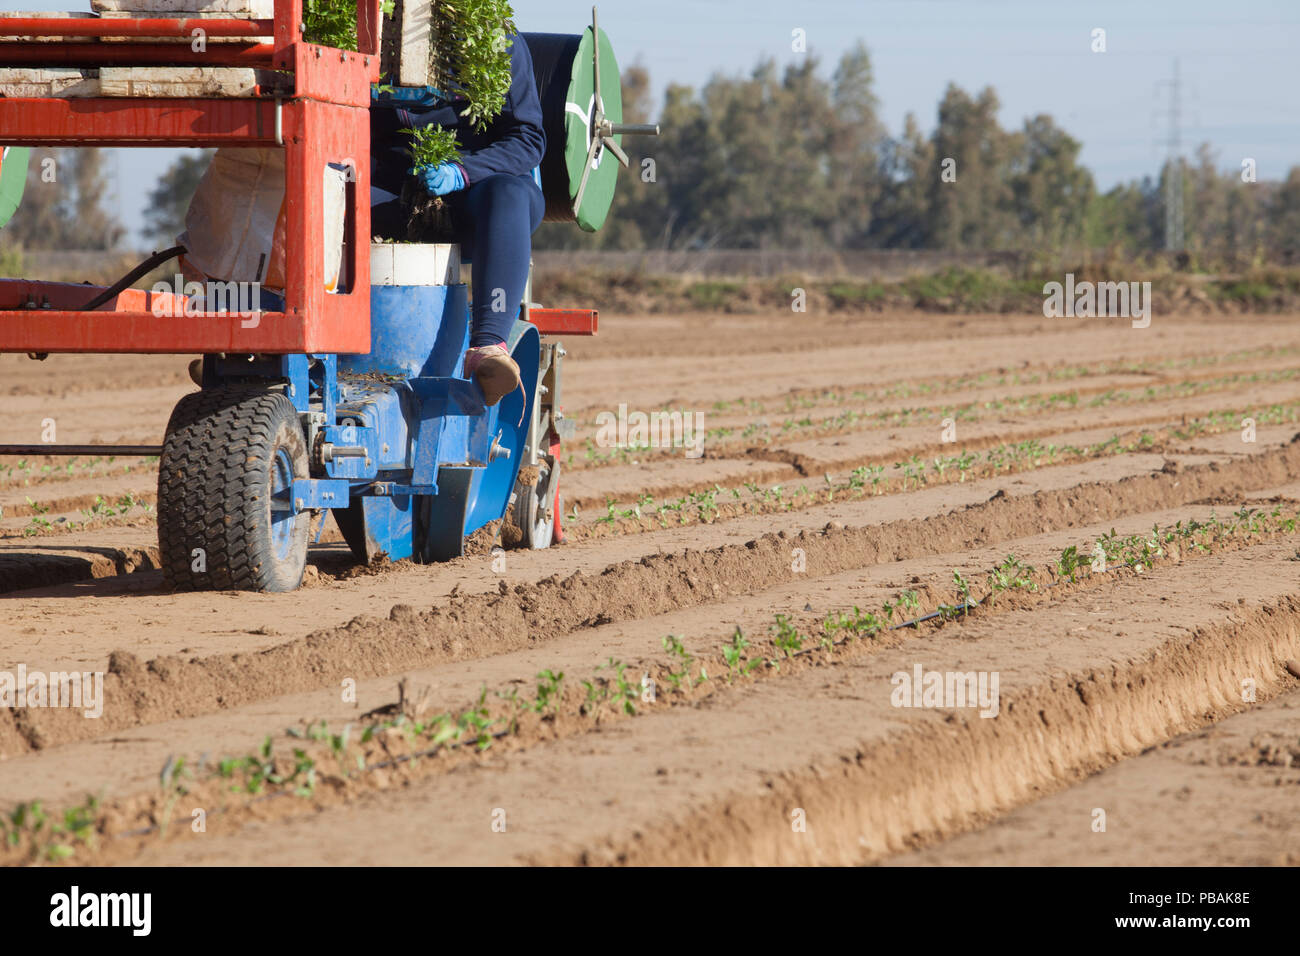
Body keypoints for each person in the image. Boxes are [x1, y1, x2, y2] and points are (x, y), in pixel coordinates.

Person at [370, 31, 546, 406]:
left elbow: (527, 138)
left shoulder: (495, 40)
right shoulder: (367, 32)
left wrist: (463, 170)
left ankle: (489, 346)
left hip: (482, 191)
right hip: (394, 190)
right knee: (324, 191)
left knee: (509, 192)